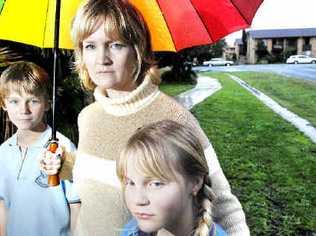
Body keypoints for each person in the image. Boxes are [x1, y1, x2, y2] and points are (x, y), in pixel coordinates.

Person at [49, 0, 249, 235]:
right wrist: (67, 167)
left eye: (115, 45)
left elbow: (222, 202)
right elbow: (101, 187)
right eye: (90, 46)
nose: (101, 58)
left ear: (137, 50)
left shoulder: (173, 117)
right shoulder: (87, 117)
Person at [0, 61, 80, 236]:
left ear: (47, 104)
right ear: (3, 104)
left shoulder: (62, 148)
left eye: (33, 101)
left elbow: (76, 205)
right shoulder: (3, 152)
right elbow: (3, 207)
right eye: (14, 101)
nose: (24, 110)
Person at [117, 120, 227, 236]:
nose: (138, 200)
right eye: (130, 182)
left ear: (196, 182)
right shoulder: (131, 231)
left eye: (156, 184)